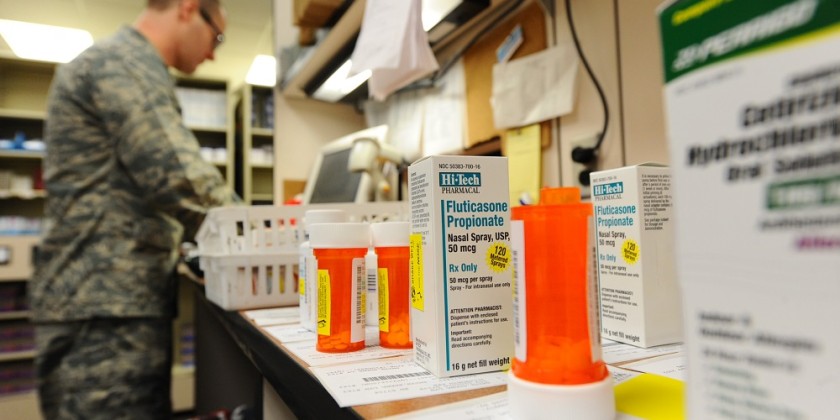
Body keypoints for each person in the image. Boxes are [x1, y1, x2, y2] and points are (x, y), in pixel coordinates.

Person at [31, 0, 238, 418]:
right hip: (104, 316)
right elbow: (179, 177)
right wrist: (277, 238)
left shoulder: (129, 65)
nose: (214, 53)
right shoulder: (123, 63)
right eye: (216, 36)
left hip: (107, 306)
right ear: (188, 7)